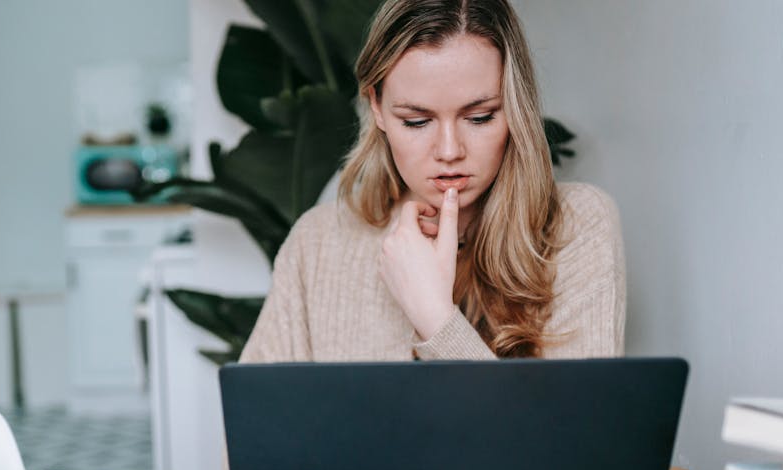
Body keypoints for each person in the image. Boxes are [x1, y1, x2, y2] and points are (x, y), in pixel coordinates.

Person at [240, 0, 625, 363]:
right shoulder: (317, 243)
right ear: (376, 107)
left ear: (515, 107)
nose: (449, 151)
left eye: (480, 117)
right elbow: (254, 427)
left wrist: (436, 319)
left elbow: (575, 436)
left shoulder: (576, 227)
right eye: (417, 121)